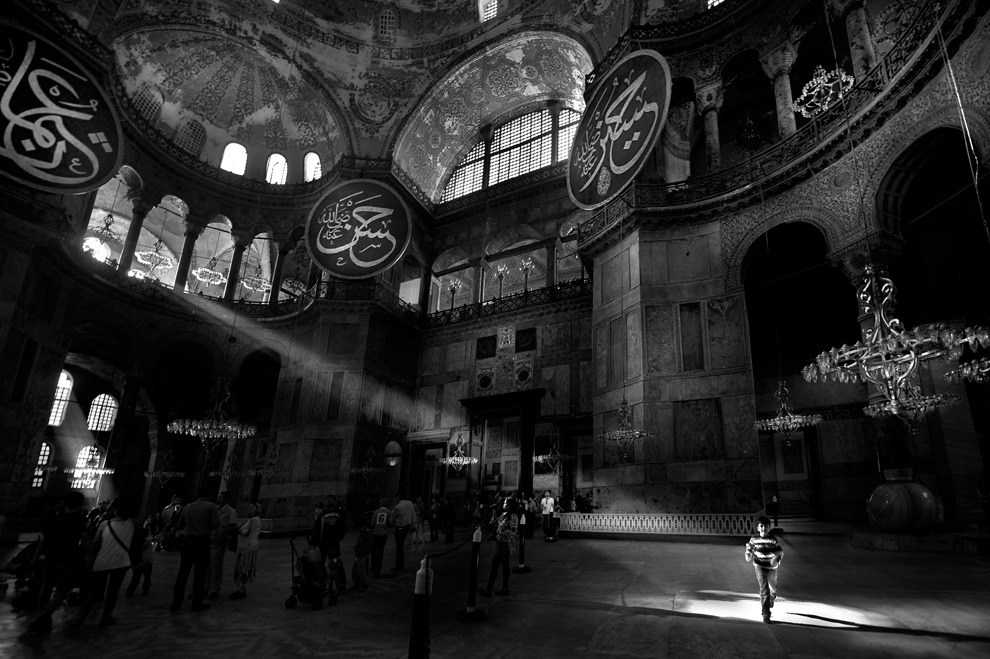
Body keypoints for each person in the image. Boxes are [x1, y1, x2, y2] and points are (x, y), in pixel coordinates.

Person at [24, 491, 88, 636]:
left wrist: (34, 559)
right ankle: (42, 617)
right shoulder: (79, 520)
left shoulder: (54, 518)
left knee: (45, 589)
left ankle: (43, 622)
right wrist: (89, 556)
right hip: (68, 560)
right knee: (62, 591)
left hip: (50, 558)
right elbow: (84, 541)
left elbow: (44, 541)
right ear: (80, 504)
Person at [69, 499, 136, 628]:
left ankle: (81, 616)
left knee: (93, 591)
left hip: (102, 561)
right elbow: (133, 542)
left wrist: (90, 558)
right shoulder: (133, 524)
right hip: (121, 562)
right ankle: (106, 617)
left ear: (115, 510)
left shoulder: (105, 524)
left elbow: (95, 543)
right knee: (113, 592)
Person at [170, 489, 219, 613]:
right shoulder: (212, 507)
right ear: (209, 495)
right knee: (200, 575)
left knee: (182, 573)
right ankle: (196, 603)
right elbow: (215, 524)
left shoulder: (187, 507)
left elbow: (180, 524)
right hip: (202, 542)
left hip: (188, 542)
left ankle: (176, 603)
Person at [745, 515, 784, 624]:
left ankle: (772, 596)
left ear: (769, 528)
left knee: (772, 587)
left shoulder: (773, 540)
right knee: (764, 589)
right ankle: (766, 613)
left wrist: (777, 559)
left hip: (772, 567)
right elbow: (749, 547)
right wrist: (748, 554)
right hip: (759, 566)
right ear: (758, 528)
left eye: (766, 526)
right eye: (761, 526)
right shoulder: (754, 539)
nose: (764, 528)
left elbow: (780, 551)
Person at [478, 497, 519, 597]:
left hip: (504, 544)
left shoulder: (513, 516)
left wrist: (503, 532)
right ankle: (504, 588)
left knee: (495, 565)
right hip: (499, 542)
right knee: (504, 566)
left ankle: (489, 589)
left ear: (510, 505)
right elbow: (492, 523)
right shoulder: (504, 514)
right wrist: (494, 512)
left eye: (505, 503)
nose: (503, 504)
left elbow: (513, 530)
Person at [208, 491, 238, 600]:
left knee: (216, 566)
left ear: (226, 499)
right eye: (218, 497)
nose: (219, 499)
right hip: (210, 539)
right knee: (208, 567)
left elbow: (233, 528)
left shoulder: (231, 512)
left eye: (221, 497)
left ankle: (215, 589)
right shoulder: (214, 509)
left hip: (220, 542)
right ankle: (206, 588)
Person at [229, 502, 262, 599]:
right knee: (243, 567)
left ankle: (242, 589)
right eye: (248, 508)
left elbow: (246, 533)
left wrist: (239, 530)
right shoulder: (252, 520)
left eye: (251, 508)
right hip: (246, 547)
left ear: (256, 510)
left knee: (244, 567)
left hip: (248, 548)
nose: (248, 509)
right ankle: (241, 587)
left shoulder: (254, 520)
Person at [316, 496, 347, 590]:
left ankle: (341, 584)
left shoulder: (340, 512)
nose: (329, 500)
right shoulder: (323, 512)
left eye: (332, 499)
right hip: (323, 542)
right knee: (320, 564)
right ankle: (322, 583)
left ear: (335, 501)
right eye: (328, 499)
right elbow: (317, 526)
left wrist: (339, 537)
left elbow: (343, 525)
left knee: (336, 563)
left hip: (333, 543)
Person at [125, 523, 153, 597]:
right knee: (147, 577)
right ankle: (145, 590)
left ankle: (130, 591)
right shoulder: (147, 542)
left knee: (135, 578)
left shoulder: (135, 542)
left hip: (138, 563)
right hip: (147, 562)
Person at [390, 492, 415, 572]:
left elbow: (392, 518)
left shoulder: (398, 507)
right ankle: (401, 565)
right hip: (407, 527)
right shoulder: (410, 503)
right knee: (401, 547)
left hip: (400, 527)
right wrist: (413, 524)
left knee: (399, 547)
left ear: (397, 497)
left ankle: (399, 566)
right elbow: (413, 514)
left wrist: (393, 522)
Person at [369, 498, 390, 578]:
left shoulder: (376, 512)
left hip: (375, 533)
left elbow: (372, 523)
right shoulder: (388, 512)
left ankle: (373, 567)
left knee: (374, 551)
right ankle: (378, 569)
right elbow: (390, 522)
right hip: (383, 534)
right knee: (380, 552)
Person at [350, 525, 373, 592]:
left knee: (361, 571)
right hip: (360, 554)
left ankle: (363, 586)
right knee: (355, 571)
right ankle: (357, 585)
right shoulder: (364, 533)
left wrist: (358, 549)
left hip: (361, 554)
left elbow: (364, 545)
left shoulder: (367, 534)